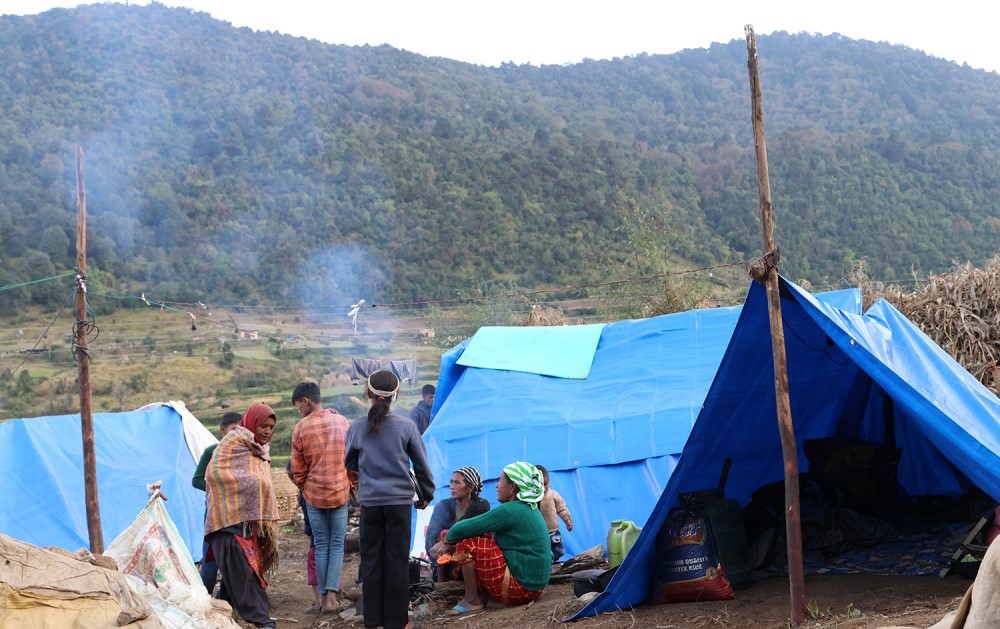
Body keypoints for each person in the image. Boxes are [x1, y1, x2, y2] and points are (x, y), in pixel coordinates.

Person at [345, 370, 434, 629]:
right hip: (399, 505)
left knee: (371, 561)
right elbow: (421, 464)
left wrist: (368, 465)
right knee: (396, 561)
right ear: (395, 395)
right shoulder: (406, 426)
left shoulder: (357, 426)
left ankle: (373, 621)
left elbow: (349, 461)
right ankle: (396, 622)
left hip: (370, 504)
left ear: (368, 394)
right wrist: (426, 494)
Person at [439, 461, 551, 615]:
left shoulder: (511, 510)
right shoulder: (528, 507)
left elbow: (460, 528)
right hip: (534, 587)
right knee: (480, 536)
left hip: (522, 588)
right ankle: (479, 595)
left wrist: (446, 543)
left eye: (500, 481)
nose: (497, 486)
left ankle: (472, 600)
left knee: (467, 543)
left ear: (512, 487)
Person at [204, 403, 280, 629]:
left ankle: (221, 614)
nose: (267, 431)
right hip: (228, 524)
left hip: (249, 528)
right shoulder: (232, 443)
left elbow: (260, 481)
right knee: (244, 577)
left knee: (241, 577)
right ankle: (262, 621)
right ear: (251, 423)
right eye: (263, 425)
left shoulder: (259, 449)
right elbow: (214, 475)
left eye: (271, 427)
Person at [290, 381, 351, 615]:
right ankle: (332, 599)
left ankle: (323, 599)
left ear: (306, 401)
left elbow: (298, 469)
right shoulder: (342, 421)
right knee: (337, 545)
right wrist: (350, 483)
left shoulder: (300, 428)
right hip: (340, 491)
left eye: (298, 405)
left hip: (313, 495)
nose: (298, 410)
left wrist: (305, 487)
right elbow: (352, 459)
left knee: (321, 545)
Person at [192, 411, 242, 596]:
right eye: (233, 429)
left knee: (232, 567)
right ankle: (204, 600)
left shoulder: (243, 453)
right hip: (214, 518)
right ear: (223, 430)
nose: (237, 434)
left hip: (236, 518)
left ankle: (224, 602)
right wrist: (217, 489)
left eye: (241, 429)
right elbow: (196, 479)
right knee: (209, 568)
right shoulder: (211, 451)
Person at [425, 466, 491, 581]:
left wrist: (444, 543)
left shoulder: (481, 506)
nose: (452, 487)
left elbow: (468, 530)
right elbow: (431, 536)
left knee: (452, 536)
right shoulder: (443, 506)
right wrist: (436, 558)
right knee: (442, 534)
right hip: (444, 562)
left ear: (470, 488)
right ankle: (442, 582)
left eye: (457, 483)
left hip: (470, 558)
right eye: (451, 482)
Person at [285, 460, 322, 614]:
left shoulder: (306, 492)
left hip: (317, 536)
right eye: (290, 478)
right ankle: (332, 597)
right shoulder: (319, 486)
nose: (293, 481)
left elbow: (310, 519)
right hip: (327, 536)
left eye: (294, 477)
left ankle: (320, 601)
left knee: (314, 564)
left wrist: (309, 532)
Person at [535, 464, 573, 562]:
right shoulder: (530, 499)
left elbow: (561, 508)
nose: (542, 488)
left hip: (552, 531)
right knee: (540, 552)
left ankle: (550, 561)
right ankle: (546, 565)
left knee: (558, 550)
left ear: (549, 482)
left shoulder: (553, 495)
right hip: (537, 533)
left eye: (545, 484)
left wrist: (567, 520)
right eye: (539, 485)